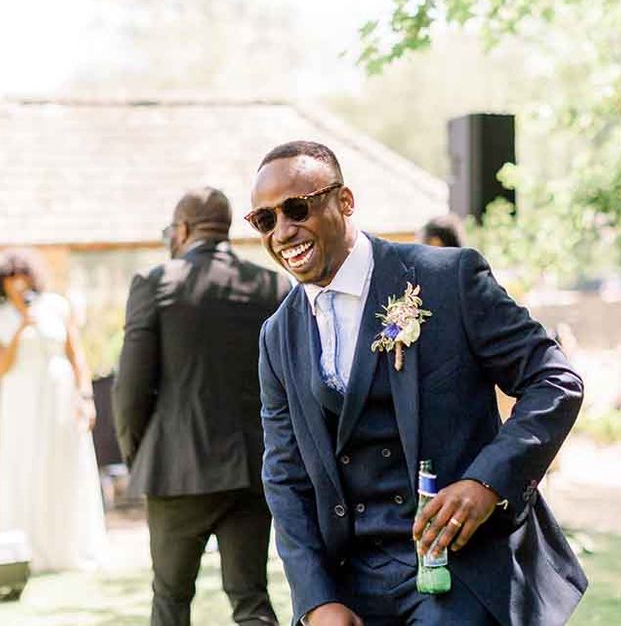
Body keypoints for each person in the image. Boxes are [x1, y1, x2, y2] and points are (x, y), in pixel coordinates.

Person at [249, 141, 587, 626]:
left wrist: (486, 481)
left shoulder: (447, 279)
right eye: (265, 220)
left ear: (344, 202)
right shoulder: (277, 336)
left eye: (296, 209)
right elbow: (285, 475)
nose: (283, 231)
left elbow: (555, 380)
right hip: (355, 584)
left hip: (464, 570)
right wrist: (316, 598)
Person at [112, 187, 290, 626]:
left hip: (176, 469)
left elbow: (130, 387)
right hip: (251, 466)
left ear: (184, 229)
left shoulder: (156, 283)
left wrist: (138, 455)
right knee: (251, 597)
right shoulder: (272, 286)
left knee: (170, 599)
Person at [0, 248, 106, 572]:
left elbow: (77, 355)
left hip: (60, 395)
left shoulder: (57, 307)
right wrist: (21, 326)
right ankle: (26, 548)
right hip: (20, 399)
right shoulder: (3, 316)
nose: (19, 285)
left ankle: (69, 547)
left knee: (62, 462)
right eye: (11, 280)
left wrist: (85, 396)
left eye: (23, 278)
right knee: (23, 464)